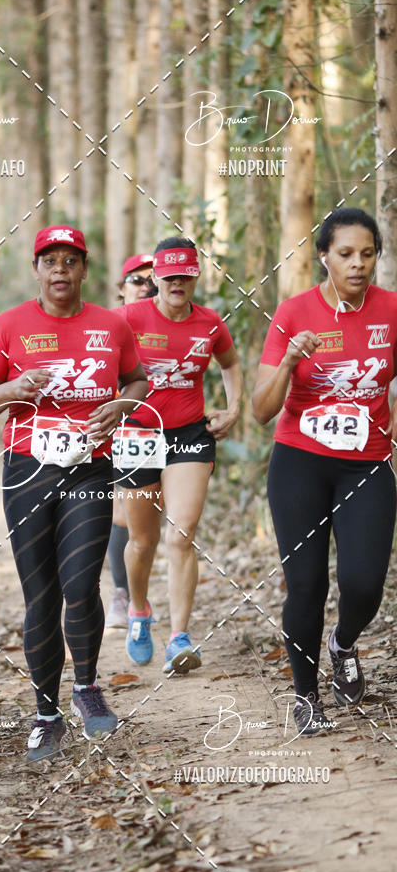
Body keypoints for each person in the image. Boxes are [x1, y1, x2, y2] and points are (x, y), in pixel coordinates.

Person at [0, 225, 148, 761]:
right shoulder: (11, 324)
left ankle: (87, 689)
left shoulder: (111, 325)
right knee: (40, 593)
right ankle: (47, 715)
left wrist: (122, 406)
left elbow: (136, 380)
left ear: (85, 270)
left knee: (81, 579)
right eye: (51, 261)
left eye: (71, 261)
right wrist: (9, 391)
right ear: (37, 269)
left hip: (88, 468)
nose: (61, 270)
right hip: (27, 469)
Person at [252, 207, 397, 737]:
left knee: (364, 583)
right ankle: (306, 695)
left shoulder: (391, 310)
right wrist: (289, 362)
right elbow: (260, 410)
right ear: (323, 258)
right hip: (301, 464)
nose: (357, 265)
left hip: (366, 464)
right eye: (345, 255)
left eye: (367, 253)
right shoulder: (293, 313)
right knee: (306, 583)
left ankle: (343, 642)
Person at [115, 237, 242, 673]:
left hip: (189, 433)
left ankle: (180, 637)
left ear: (195, 277)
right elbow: (96, 355)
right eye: (168, 276)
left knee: (181, 532)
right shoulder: (129, 317)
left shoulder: (209, 323)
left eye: (185, 275)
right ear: (157, 278)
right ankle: (138, 609)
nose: (176, 283)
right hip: (138, 434)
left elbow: (229, 363)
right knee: (142, 541)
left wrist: (234, 408)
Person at [105, 252, 154, 628]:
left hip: (172, 430)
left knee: (151, 522)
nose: (146, 286)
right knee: (122, 510)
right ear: (121, 289)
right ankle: (123, 595)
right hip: (123, 425)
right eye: (137, 280)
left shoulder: (169, 316)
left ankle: (136, 592)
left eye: (153, 279)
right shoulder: (109, 325)